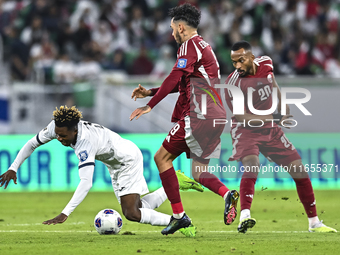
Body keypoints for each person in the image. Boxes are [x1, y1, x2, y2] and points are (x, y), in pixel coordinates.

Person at [0, 105, 203, 237]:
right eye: (58, 135)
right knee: (137, 206)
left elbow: (86, 182)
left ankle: (179, 222)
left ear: (75, 130)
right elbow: (31, 144)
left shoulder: (85, 142)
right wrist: (13, 167)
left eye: (64, 136)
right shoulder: (56, 126)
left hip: (126, 160)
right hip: (115, 162)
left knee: (131, 213)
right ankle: (173, 184)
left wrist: (65, 213)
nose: (60, 139)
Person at [130, 3, 239, 236]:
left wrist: (151, 105)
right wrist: (150, 92)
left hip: (200, 114)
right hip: (217, 117)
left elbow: (175, 75)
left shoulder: (188, 46)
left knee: (161, 158)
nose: (171, 34)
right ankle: (227, 194)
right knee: (199, 172)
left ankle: (179, 216)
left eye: (172, 29)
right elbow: (181, 83)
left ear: (181, 27)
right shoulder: (204, 47)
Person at [224, 40, 337, 233]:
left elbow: (273, 85)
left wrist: (283, 105)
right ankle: (244, 216)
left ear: (251, 57)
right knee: (252, 165)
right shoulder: (232, 84)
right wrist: (275, 116)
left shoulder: (266, 63)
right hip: (245, 130)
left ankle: (314, 222)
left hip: (270, 129)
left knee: (300, 171)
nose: (237, 66)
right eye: (234, 62)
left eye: (241, 61)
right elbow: (242, 117)